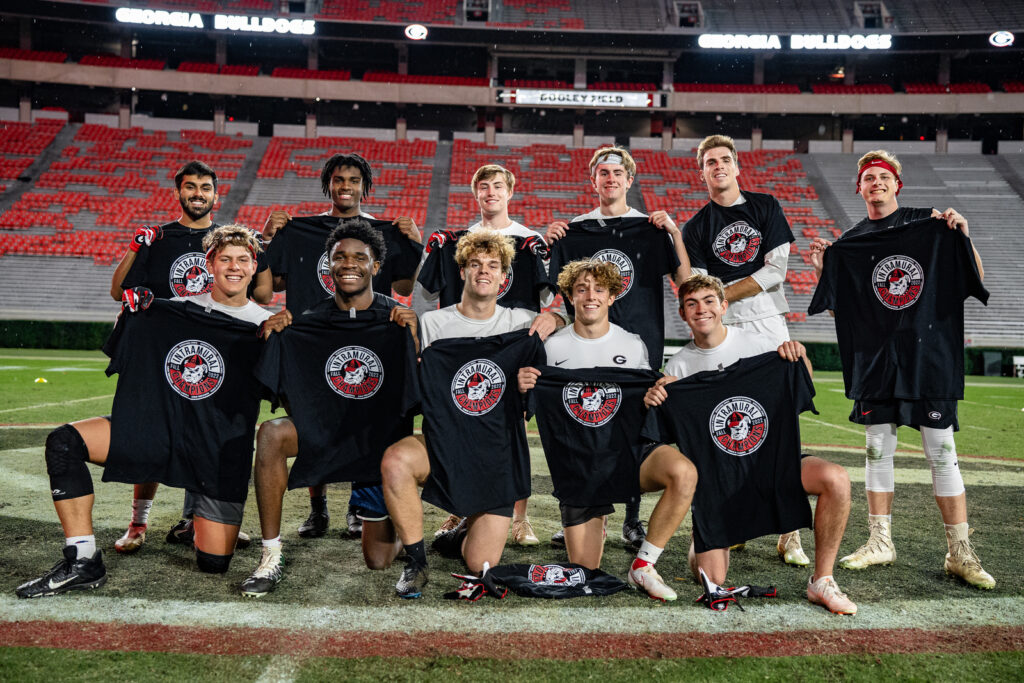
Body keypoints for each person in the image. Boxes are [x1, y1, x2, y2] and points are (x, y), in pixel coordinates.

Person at [16, 225, 271, 598]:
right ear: (209, 264)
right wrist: (133, 310)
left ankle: (195, 519)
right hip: (159, 434)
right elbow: (124, 334)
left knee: (214, 564)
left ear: (253, 267)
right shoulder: (169, 311)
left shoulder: (266, 326)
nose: (234, 266)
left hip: (217, 455)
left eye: (243, 260)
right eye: (225, 259)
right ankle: (83, 559)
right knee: (64, 441)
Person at [808, 150, 993, 589]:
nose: (875, 183)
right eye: (867, 178)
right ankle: (880, 540)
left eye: (883, 177)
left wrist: (963, 236)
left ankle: (959, 551)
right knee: (877, 448)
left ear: (897, 184)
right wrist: (824, 268)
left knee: (941, 452)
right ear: (859, 187)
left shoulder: (928, 223)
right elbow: (845, 315)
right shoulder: (850, 240)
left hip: (928, 357)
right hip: (877, 361)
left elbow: (974, 279)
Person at [645, 274, 856, 615]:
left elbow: (802, 380)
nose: (702, 310)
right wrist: (658, 396)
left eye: (709, 301)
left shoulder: (760, 342)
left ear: (724, 306)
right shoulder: (678, 366)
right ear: (683, 314)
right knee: (709, 578)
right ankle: (704, 540)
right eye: (692, 304)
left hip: (771, 461)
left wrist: (798, 355)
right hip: (720, 479)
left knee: (836, 478)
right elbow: (670, 434)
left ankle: (823, 579)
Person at [240, 219, 419, 597]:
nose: (348, 263)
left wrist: (416, 337)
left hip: (378, 446)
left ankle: (404, 528)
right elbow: (285, 385)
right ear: (328, 265)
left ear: (376, 266)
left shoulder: (399, 320)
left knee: (378, 560)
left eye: (359, 257)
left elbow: (423, 394)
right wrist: (276, 333)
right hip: (326, 433)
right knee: (271, 434)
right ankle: (271, 553)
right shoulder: (305, 320)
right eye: (339, 257)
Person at [380, 231, 564, 598]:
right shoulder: (431, 325)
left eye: (493, 266)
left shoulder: (523, 322)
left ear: (503, 277)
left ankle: (462, 531)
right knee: (396, 460)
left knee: (481, 564)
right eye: (476, 264)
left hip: (496, 455)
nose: (484, 271)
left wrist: (556, 318)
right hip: (444, 446)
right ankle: (416, 561)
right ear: (461, 271)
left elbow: (579, 326)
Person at [108, 161, 269, 555]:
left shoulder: (230, 245)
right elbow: (119, 292)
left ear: (217, 192)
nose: (198, 194)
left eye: (206, 188)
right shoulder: (160, 238)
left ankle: (198, 517)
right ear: (178, 191)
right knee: (153, 429)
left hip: (217, 334)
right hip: (171, 334)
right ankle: (139, 520)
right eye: (191, 187)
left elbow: (260, 297)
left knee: (215, 422)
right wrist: (136, 248)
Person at [262, 152, 423, 541]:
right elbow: (277, 285)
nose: (346, 186)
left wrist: (414, 243)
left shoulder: (383, 232)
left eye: (353, 180)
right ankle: (318, 508)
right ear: (328, 186)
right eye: (338, 180)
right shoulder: (303, 228)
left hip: (370, 333)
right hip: (312, 335)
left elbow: (402, 289)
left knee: (364, 407)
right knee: (312, 409)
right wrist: (268, 237)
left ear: (365, 187)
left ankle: (358, 505)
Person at [518, 259, 698, 602]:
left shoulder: (632, 344)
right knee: (584, 573)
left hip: (627, 453)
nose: (590, 296)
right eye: (581, 289)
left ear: (612, 296)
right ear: (570, 296)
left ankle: (643, 564)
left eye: (599, 289)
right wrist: (523, 385)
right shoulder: (551, 347)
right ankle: (596, 514)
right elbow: (526, 408)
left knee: (683, 473)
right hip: (579, 465)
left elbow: (647, 399)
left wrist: (658, 392)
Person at [543, 146, 690, 550]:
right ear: (593, 182)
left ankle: (631, 517)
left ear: (630, 180)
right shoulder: (575, 229)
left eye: (617, 173)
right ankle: (581, 509)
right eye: (602, 173)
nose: (610, 179)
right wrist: (549, 242)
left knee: (633, 428)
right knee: (582, 423)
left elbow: (685, 280)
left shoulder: (650, 227)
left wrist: (674, 232)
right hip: (586, 340)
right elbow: (547, 292)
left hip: (638, 343)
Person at [681, 134, 807, 567]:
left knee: (779, 423)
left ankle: (789, 531)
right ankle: (736, 519)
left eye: (724, 160)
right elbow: (698, 286)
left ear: (736, 167)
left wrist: (723, 295)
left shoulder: (766, 205)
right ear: (702, 172)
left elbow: (777, 270)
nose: (717, 166)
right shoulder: (695, 227)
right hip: (723, 330)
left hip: (768, 323)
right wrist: (719, 302)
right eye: (709, 162)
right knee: (732, 422)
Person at [418, 163, 554, 546]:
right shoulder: (454, 240)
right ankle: (458, 509)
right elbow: (428, 294)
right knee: (458, 419)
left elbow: (547, 299)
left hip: (512, 337)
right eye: (483, 186)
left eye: (498, 186)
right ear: (474, 192)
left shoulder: (530, 241)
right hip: (461, 336)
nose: (491, 192)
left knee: (513, 422)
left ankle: (520, 517)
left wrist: (554, 319)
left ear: (511, 192)